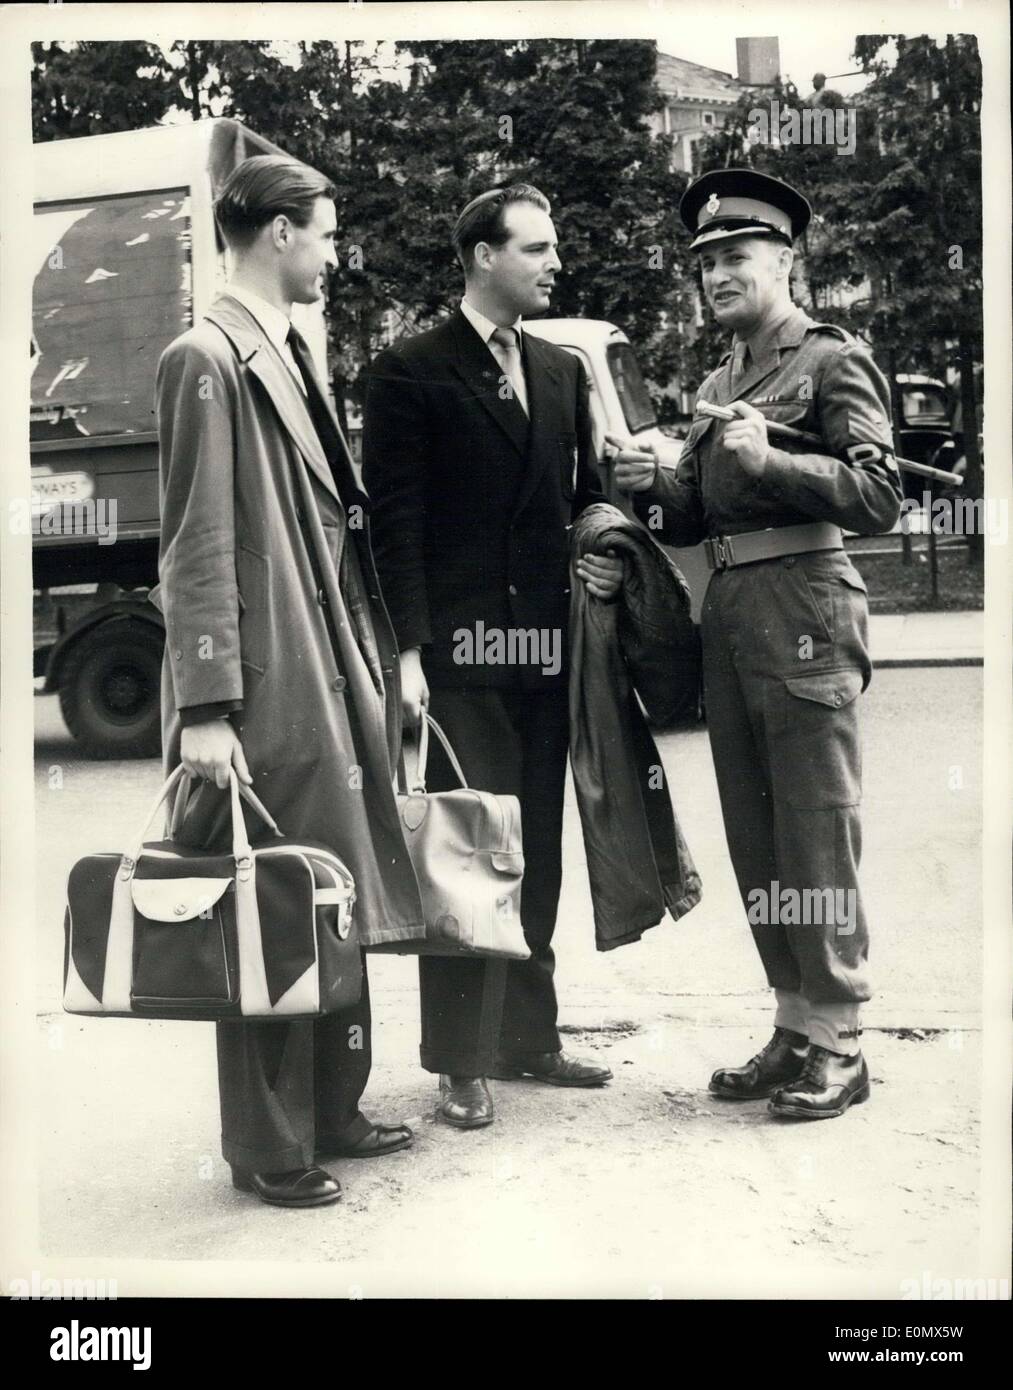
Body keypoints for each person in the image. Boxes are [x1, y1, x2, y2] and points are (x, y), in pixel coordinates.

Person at [154, 154, 425, 1207]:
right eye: (324, 231)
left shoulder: (280, 349)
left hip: (324, 661)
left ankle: (334, 1105)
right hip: (268, 682)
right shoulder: (206, 356)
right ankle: (268, 1141)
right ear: (275, 232)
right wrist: (209, 708)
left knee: (331, 888)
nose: (334, 250)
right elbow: (195, 546)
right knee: (267, 901)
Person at [612, 168, 903, 1120]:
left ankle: (842, 1038)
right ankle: (793, 1025)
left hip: (808, 605)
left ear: (783, 260)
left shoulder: (828, 360)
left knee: (815, 828)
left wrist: (772, 458)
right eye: (705, 263)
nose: (717, 276)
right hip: (732, 608)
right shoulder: (716, 382)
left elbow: (878, 498)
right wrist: (649, 485)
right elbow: (694, 519)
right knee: (757, 831)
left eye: (736, 257)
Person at [362, 185, 622, 1129]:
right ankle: (459, 1061)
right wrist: (408, 654)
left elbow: (583, 499)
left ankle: (529, 1038)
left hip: (545, 654)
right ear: (481, 255)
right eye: (537, 248)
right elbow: (396, 528)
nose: (555, 263)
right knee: (468, 856)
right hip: (462, 660)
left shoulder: (559, 370)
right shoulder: (410, 371)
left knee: (537, 846)